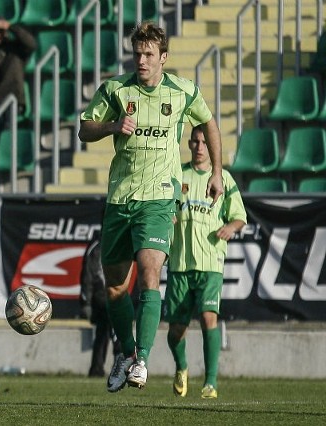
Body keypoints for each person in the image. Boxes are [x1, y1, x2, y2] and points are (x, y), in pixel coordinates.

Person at [78, 21, 224, 392]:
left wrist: (217, 172)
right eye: (137, 54)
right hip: (119, 197)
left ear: (163, 58)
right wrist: (112, 126)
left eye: (148, 55)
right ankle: (126, 354)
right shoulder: (115, 89)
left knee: (149, 274)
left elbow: (209, 125)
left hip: (159, 197)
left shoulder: (182, 91)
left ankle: (142, 358)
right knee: (113, 286)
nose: (141, 61)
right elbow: (84, 128)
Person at [165, 125, 247, 399]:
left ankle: (210, 382)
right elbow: (163, 208)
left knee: (209, 318)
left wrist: (231, 228)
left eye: (204, 142)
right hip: (179, 263)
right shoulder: (178, 175)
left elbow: (238, 216)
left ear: (211, 147)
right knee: (176, 330)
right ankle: (182, 366)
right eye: (195, 142)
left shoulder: (222, 178)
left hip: (210, 262)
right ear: (188, 144)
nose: (200, 147)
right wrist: (168, 216)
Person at [80, 232, 123, 377]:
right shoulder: (96, 247)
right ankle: (117, 366)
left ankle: (97, 369)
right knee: (112, 332)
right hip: (102, 296)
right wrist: (86, 302)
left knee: (104, 334)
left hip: (114, 294)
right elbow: (87, 275)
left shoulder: (117, 243)